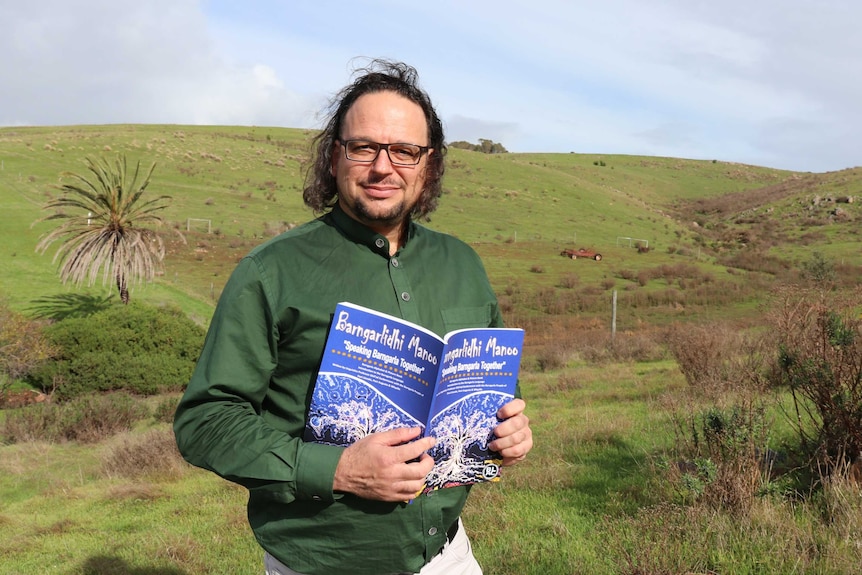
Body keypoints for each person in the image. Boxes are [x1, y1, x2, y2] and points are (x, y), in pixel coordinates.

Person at [173, 59, 533, 575]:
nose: (383, 167)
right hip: (321, 562)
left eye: (405, 151)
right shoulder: (271, 271)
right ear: (334, 156)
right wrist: (338, 469)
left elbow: (501, 388)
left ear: (428, 164)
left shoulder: (463, 263)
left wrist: (511, 428)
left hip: (448, 556)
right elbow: (205, 422)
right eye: (364, 146)